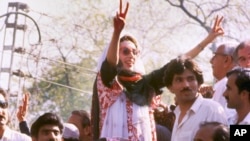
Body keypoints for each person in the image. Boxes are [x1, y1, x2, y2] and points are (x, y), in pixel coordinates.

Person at [90, 0, 226, 140]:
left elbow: (177, 64)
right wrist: (117, 32)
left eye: (135, 52)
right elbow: (110, 66)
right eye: (125, 51)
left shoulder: (145, 85)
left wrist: (208, 40)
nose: (131, 55)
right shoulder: (109, 84)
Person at [163, 56, 228, 141]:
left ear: (199, 83)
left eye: (190, 79)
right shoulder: (177, 113)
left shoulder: (212, 110)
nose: (186, 85)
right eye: (179, 80)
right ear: (170, 87)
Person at [209, 43, 237, 121]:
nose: (211, 61)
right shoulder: (223, 84)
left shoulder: (226, 84)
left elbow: (223, 124)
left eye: (215, 56)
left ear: (226, 60)